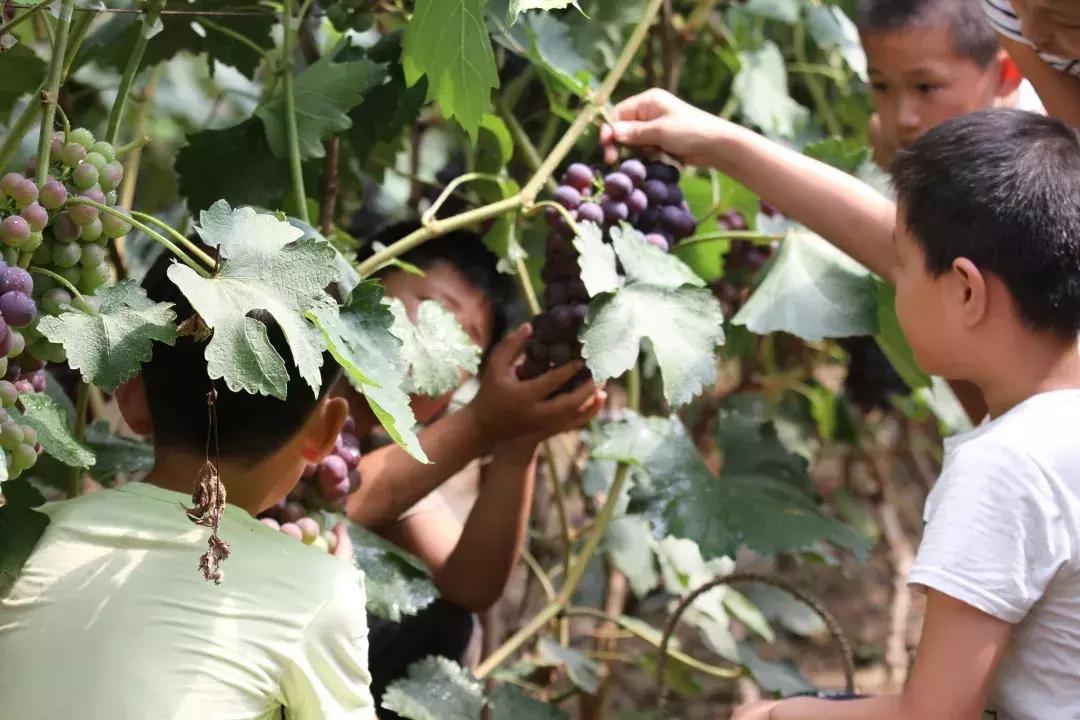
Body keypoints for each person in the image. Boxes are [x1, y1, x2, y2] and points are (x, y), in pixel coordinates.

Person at [603, 96, 1080, 718]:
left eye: (902, 267)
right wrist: (720, 140)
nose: (890, 275)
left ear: (967, 290)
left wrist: (782, 715)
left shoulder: (1006, 469)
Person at [0, 252, 376, 719]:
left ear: (131, 397)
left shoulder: (29, 541)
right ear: (326, 432)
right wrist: (330, 588)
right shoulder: (323, 590)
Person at [340, 223, 605, 712]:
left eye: (465, 340)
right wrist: (482, 424)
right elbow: (337, 503)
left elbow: (470, 584)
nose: (437, 342)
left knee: (445, 622)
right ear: (366, 283)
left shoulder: (381, 446)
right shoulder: (286, 382)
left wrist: (515, 446)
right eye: (432, 309)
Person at [859, 0, 1041, 170]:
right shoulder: (887, 144)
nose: (903, 119)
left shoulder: (1041, 155)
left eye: (925, 87)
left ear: (1004, 75)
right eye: (881, 86)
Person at [983, 0, 1080, 128]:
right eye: (1021, 3)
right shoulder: (1001, 4)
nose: (1029, 33)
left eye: (1066, 23)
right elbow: (1073, 126)